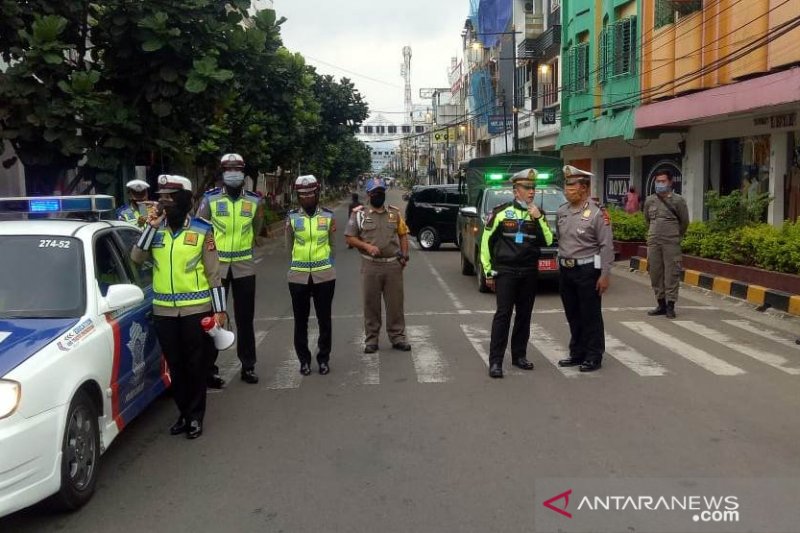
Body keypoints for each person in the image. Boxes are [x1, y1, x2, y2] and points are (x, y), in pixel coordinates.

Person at [132, 175, 226, 439]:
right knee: (175, 365)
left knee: (195, 365)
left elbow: (213, 274)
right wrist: (150, 227)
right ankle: (184, 413)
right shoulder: (156, 230)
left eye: (171, 198)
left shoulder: (202, 229)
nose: (165, 203)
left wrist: (219, 311)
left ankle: (196, 417)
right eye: (162, 198)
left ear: (184, 200)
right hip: (164, 311)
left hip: (196, 310)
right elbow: (136, 258)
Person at [197, 153, 264, 386]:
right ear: (223, 173)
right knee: (213, 318)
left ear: (243, 173)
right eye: (229, 170)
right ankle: (210, 369)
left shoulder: (254, 201)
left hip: (244, 267)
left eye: (237, 169)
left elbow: (256, 228)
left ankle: (248, 366)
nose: (233, 173)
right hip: (217, 268)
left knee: (246, 319)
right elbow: (199, 230)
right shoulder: (211, 199)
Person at [480, 168, 553, 379]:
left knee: (524, 316)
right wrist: (488, 271)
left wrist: (538, 218)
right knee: (503, 315)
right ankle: (495, 361)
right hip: (506, 271)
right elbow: (486, 243)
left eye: (533, 188)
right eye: (527, 188)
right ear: (515, 191)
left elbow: (548, 240)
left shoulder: (537, 213)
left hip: (529, 272)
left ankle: (519, 356)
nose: (531, 192)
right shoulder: (501, 212)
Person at [556, 165, 615, 373]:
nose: (567, 189)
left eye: (572, 185)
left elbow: (606, 245)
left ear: (584, 188)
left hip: (588, 270)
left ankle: (593, 355)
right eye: (566, 184)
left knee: (590, 314)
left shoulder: (598, 213)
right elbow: (560, 240)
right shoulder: (562, 211)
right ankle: (577, 352)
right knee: (573, 314)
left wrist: (605, 275)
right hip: (566, 271)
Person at [345, 177, 411, 354]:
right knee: (371, 304)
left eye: (381, 192)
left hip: (392, 266)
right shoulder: (359, 214)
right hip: (370, 266)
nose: (379, 195)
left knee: (395, 304)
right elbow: (350, 237)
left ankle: (398, 337)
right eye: (375, 192)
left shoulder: (394, 213)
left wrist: (404, 256)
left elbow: (403, 234)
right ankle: (372, 339)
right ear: (368, 194)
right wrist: (367, 246)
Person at [285, 175, 336, 376]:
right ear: (298, 196)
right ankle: (304, 360)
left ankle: (323, 358)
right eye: (302, 194)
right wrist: (296, 267)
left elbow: (332, 246)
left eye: (310, 194)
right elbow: (288, 247)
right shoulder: (291, 218)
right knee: (300, 321)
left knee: (325, 319)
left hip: (324, 275)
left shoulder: (328, 216)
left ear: (317, 194)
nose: (306, 198)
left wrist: (327, 266)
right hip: (298, 277)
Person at [643, 170, 689, 319]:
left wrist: (675, 235)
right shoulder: (650, 200)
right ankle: (661, 303)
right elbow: (647, 220)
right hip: (654, 242)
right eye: (658, 181)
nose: (660, 184)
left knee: (671, 274)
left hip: (671, 242)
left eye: (663, 181)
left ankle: (670, 306)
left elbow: (684, 222)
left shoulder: (678, 200)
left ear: (670, 182)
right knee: (655, 273)